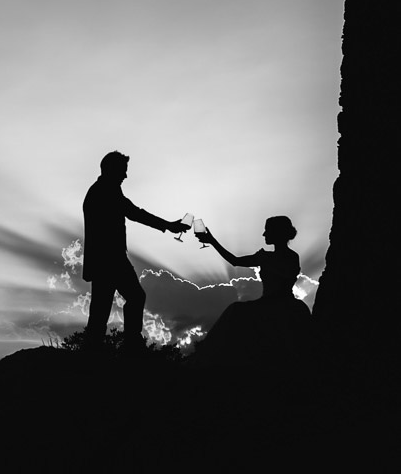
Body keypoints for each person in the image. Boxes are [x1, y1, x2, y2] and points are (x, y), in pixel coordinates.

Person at [83, 151, 190, 349]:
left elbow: (133, 212)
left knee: (101, 312)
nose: (125, 176)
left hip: (105, 261)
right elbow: (135, 213)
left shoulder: (103, 190)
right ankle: (130, 345)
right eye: (123, 171)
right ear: (112, 170)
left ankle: (99, 351)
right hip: (110, 260)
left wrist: (168, 225)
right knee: (128, 300)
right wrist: (168, 225)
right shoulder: (106, 191)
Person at [194, 216, 312, 366]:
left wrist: (266, 261)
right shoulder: (264, 257)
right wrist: (212, 241)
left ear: (277, 233)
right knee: (234, 311)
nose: (264, 234)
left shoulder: (291, 257)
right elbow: (234, 261)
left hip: (283, 305)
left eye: (267, 230)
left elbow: (288, 275)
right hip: (265, 304)